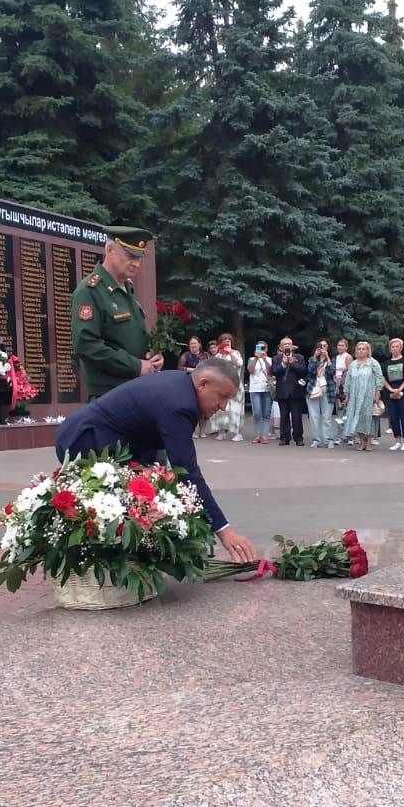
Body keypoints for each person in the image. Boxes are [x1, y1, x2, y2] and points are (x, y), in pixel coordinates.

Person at [54, 357, 256, 563]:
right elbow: (187, 472)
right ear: (203, 384)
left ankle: (127, 561)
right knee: (105, 509)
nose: (223, 406)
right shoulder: (180, 404)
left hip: (105, 439)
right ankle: (99, 564)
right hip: (86, 441)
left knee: (143, 495)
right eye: (222, 397)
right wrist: (224, 530)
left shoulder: (184, 386)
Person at [71, 226, 162, 400]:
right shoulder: (90, 291)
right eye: (130, 256)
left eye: (139, 257)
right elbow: (86, 344)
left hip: (134, 391)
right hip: (109, 395)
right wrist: (136, 366)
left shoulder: (127, 290)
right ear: (110, 250)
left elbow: (128, 339)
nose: (136, 263)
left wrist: (152, 359)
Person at [340, 340, 384, 451]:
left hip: (368, 395)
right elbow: (348, 380)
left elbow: (379, 377)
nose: (361, 351)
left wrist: (377, 392)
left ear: (367, 350)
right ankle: (361, 441)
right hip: (355, 396)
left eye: (363, 349)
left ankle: (368, 442)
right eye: (359, 349)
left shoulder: (373, 363)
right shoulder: (353, 364)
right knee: (357, 418)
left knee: (369, 418)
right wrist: (347, 395)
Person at [208, 333, 245, 441]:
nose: (227, 341)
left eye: (229, 340)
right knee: (221, 409)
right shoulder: (218, 356)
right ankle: (221, 432)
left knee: (235, 409)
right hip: (221, 386)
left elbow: (239, 364)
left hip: (234, 385)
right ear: (221, 343)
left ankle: (237, 433)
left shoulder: (236, 353)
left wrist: (231, 353)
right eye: (225, 340)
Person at [272, 336, 307, 446]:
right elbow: (274, 371)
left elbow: (303, 371)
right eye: (285, 344)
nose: (287, 345)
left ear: (292, 346)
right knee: (284, 416)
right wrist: (283, 363)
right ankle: (284, 437)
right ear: (281, 347)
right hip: (282, 391)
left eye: (289, 344)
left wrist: (292, 363)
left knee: (297, 417)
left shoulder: (299, 357)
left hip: (296, 391)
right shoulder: (276, 358)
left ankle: (298, 437)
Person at [382, 337, 404, 451]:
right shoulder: (386, 363)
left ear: (401, 348)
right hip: (390, 392)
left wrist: (400, 389)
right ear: (390, 348)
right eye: (393, 347)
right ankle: (397, 441)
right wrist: (390, 389)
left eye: (397, 346)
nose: (395, 348)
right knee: (393, 417)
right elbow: (383, 378)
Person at [306, 339, 338, 448]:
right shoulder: (312, 359)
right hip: (313, 389)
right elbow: (311, 371)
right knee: (314, 416)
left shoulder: (332, 360)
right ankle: (316, 440)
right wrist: (315, 357)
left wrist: (327, 358)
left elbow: (332, 371)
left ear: (328, 347)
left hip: (327, 390)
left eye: (325, 346)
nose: (322, 348)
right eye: (320, 346)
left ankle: (328, 439)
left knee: (326, 417)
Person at [247, 341, 273, 444]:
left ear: (266, 349)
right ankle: (258, 434)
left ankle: (265, 435)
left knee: (266, 412)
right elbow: (250, 370)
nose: (262, 350)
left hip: (266, 388)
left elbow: (270, 371)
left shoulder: (270, 359)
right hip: (255, 388)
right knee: (257, 412)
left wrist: (265, 359)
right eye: (260, 348)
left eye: (264, 348)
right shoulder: (251, 359)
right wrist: (257, 357)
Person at [332, 337, 353, 444]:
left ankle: (349, 436)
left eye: (342, 345)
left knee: (347, 412)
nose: (340, 347)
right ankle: (340, 435)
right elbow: (334, 371)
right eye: (339, 345)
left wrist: (344, 383)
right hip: (337, 386)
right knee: (339, 412)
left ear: (346, 347)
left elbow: (350, 372)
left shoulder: (348, 357)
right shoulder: (336, 357)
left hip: (345, 386)